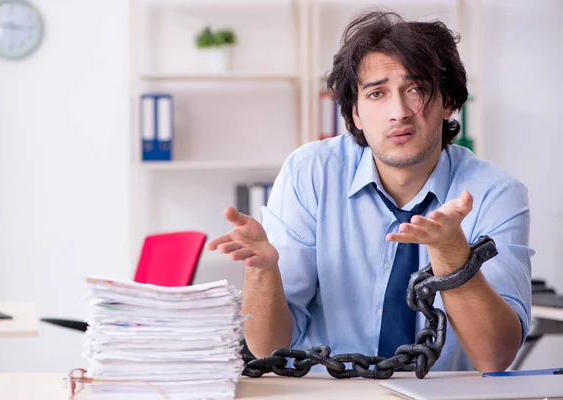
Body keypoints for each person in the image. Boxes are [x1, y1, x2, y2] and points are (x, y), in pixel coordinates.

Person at [206, 10, 532, 372]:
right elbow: (270, 345)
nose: (399, 112)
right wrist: (262, 272)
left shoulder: (497, 193)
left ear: (448, 102)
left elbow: (495, 358)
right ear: (355, 114)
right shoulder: (311, 172)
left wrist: (453, 258)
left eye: (416, 89)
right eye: (376, 93)